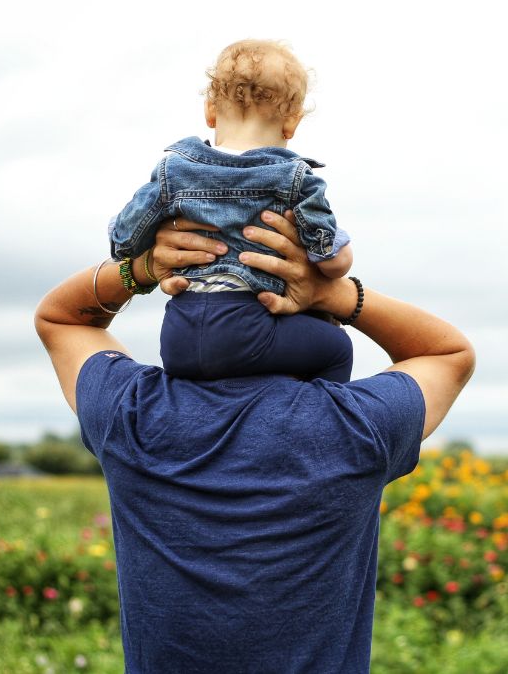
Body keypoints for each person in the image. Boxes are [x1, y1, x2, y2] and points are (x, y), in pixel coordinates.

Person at [35, 211, 475, 673]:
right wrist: (336, 293)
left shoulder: (134, 414)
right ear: (316, 327)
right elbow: (447, 353)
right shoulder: (356, 427)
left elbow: (62, 320)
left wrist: (142, 269)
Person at [109, 39, 354, 382]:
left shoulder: (173, 170)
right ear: (292, 123)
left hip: (179, 334)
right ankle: (320, 423)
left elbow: (124, 241)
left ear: (210, 111)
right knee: (336, 347)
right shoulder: (295, 178)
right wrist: (339, 254)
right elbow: (329, 260)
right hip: (250, 328)